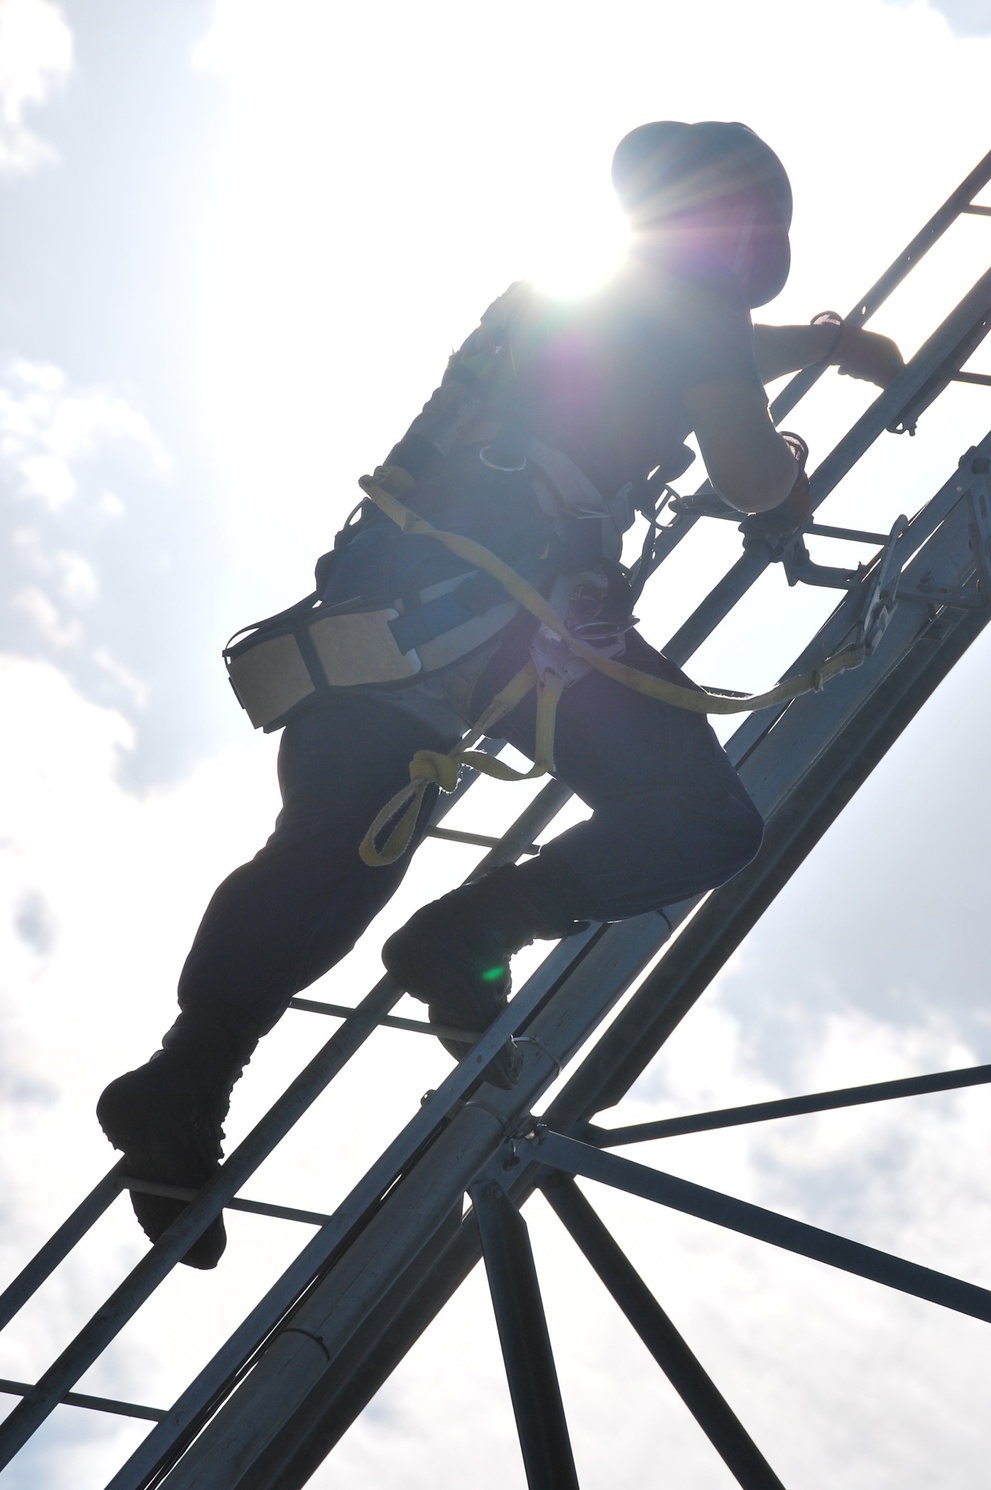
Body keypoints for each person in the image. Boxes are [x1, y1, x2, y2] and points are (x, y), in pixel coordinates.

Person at [97, 121, 904, 1268]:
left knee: (330, 855)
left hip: (386, 611)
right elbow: (745, 465)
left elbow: (681, 353)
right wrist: (790, 464)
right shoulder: (693, 309)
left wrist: (813, 344)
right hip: (512, 627)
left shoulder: (581, 290)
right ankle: (469, 936)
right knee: (702, 821)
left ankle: (185, 1079)